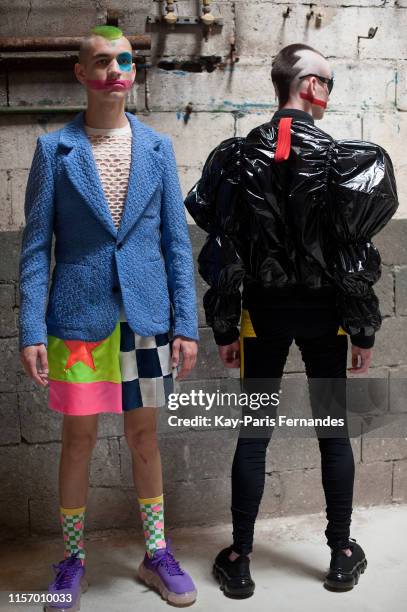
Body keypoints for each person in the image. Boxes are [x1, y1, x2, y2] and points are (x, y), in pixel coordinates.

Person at [185, 43, 398, 598]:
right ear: (308, 86)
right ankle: (342, 554)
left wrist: (229, 328)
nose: (329, 93)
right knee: (333, 431)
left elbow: (224, 253)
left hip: (263, 319)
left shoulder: (235, 159)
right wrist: (363, 330)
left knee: (254, 434)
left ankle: (240, 559)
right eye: (327, 82)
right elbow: (354, 260)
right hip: (326, 317)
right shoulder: (343, 162)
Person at [18, 25, 199, 610]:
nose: (115, 70)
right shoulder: (54, 151)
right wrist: (29, 330)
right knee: (78, 440)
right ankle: (71, 560)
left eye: (124, 60)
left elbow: (176, 244)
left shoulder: (158, 149)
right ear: (81, 73)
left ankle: (156, 551)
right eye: (101, 61)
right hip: (76, 318)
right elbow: (35, 248)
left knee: (145, 438)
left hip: (146, 316)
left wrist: (186, 324)